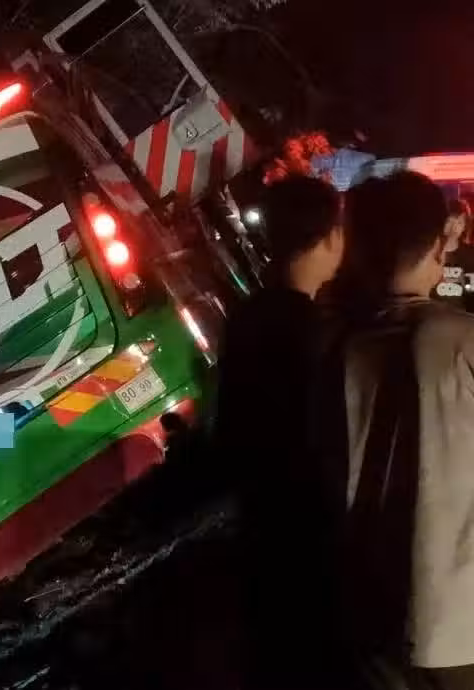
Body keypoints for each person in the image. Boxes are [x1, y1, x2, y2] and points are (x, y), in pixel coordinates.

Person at [340, 171, 474, 690]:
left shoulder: (342, 353)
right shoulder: (462, 341)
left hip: (375, 623)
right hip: (462, 623)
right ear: (439, 244)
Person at [213, 174, 348, 689]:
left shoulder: (245, 316)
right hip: (307, 530)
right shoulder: (317, 330)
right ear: (331, 237)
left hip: (257, 523)